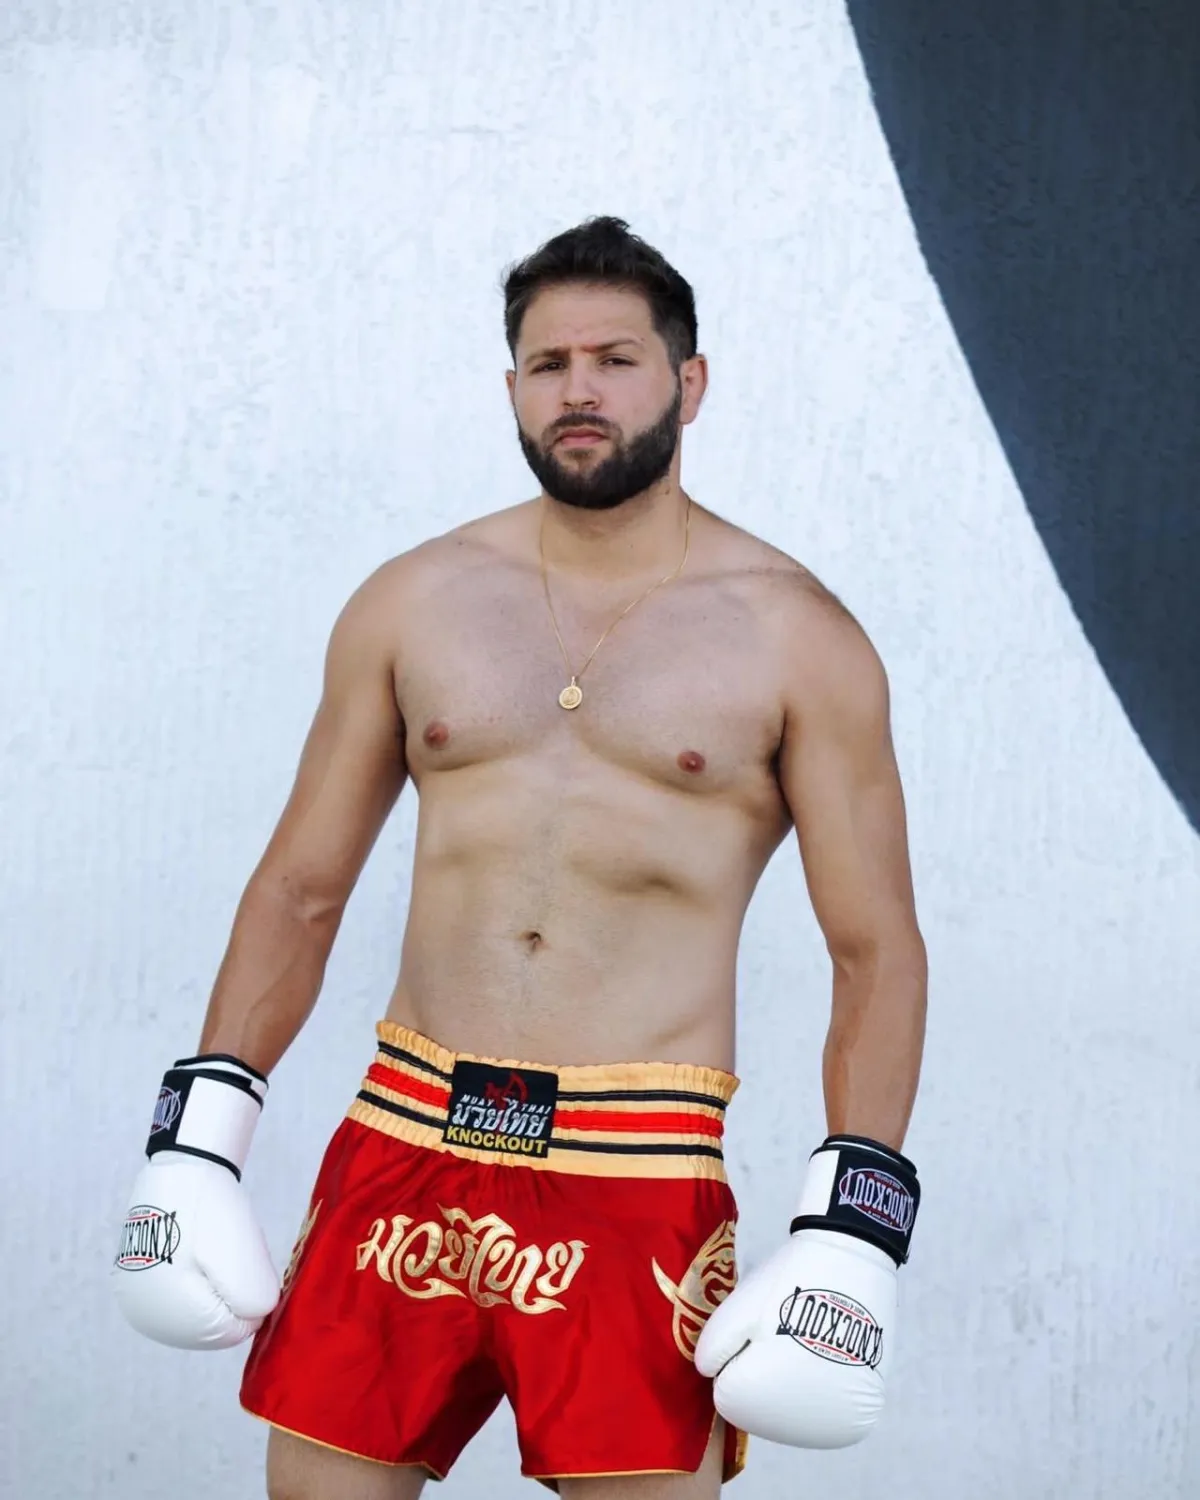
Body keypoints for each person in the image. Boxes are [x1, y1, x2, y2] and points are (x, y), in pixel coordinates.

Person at [113, 216, 928, 1499]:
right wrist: (197, 1139)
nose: (582, 390)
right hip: (404, 1140)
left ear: (689, 383)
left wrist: (857, 1230)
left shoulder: (797, 638)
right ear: (512, 390)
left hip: (636, 1167)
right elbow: (300, 887)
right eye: (549, 365)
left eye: (616, 358)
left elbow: (873, 949)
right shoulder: (417, 598)